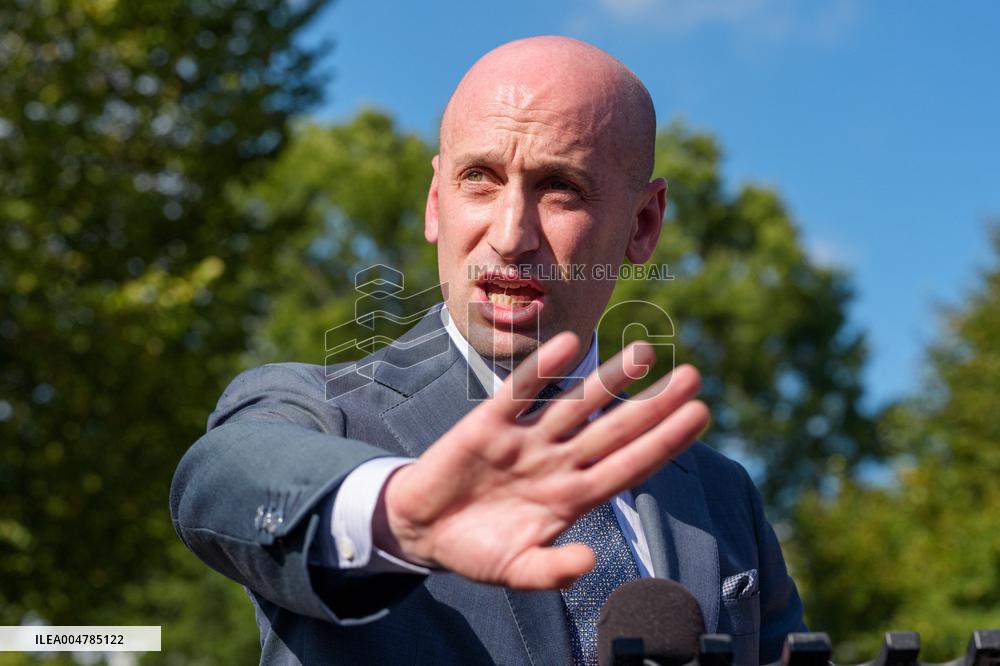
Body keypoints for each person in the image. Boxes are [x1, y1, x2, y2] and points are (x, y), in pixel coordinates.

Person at [169, 36, 805, 666]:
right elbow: (220, 480)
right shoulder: (320, 410)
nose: (509, 236)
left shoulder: (724, 496)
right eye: (480, 179)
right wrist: (399, 514)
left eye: (559, 188)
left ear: (643, 224)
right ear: (437, 202)